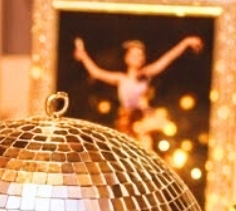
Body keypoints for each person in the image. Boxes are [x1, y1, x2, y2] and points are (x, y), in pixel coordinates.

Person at [71, 34, 203, 146]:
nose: (138, 58)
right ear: (126, 58)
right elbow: (97, 72)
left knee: (147, 144)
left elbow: (167, 59)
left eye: (140, 55)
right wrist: (83, 56)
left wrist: (186, 43)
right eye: (134, 55)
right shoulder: (121, 78)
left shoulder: (146, 74)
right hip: (127, 121)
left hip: (143, 120)